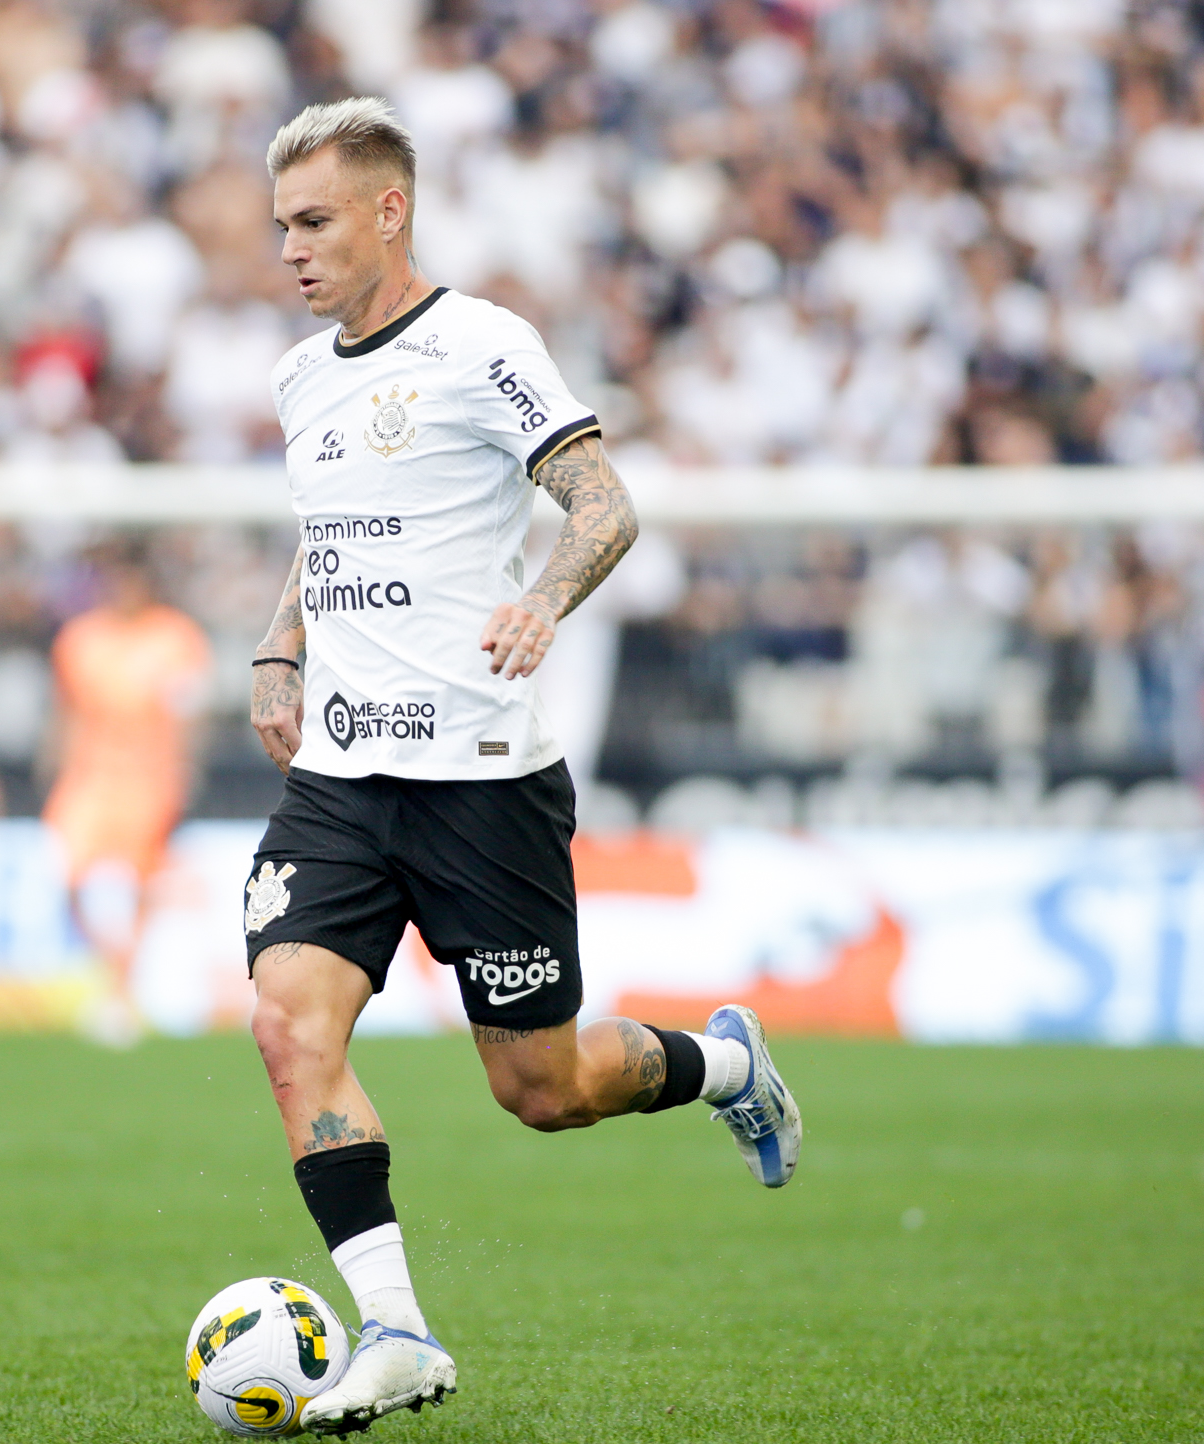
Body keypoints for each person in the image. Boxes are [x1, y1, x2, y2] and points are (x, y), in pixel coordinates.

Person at [242, 99, 802, 1434]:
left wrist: (545, 600)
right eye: (280, 229)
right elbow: (330, 541)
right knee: (288, 1024)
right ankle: (395, 1332)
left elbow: (603, 503)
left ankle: (726, 1067)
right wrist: (278, 650)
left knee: (541, 1091)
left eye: (315, 221)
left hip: (482, 782)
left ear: (390, 210)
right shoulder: (298, 375)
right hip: (341, 779)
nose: (293, 252)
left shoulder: (483, 346)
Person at [43, 538, 211, 1042]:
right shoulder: (80, 639)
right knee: (66, 879)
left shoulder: (175, 637)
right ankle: (111, 966)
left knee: (140, 884)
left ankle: (120, 990)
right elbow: (66, 709)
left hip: (148, 777)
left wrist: (184, 771)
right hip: (90, 776)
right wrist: (54, 762)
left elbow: (188, 713)